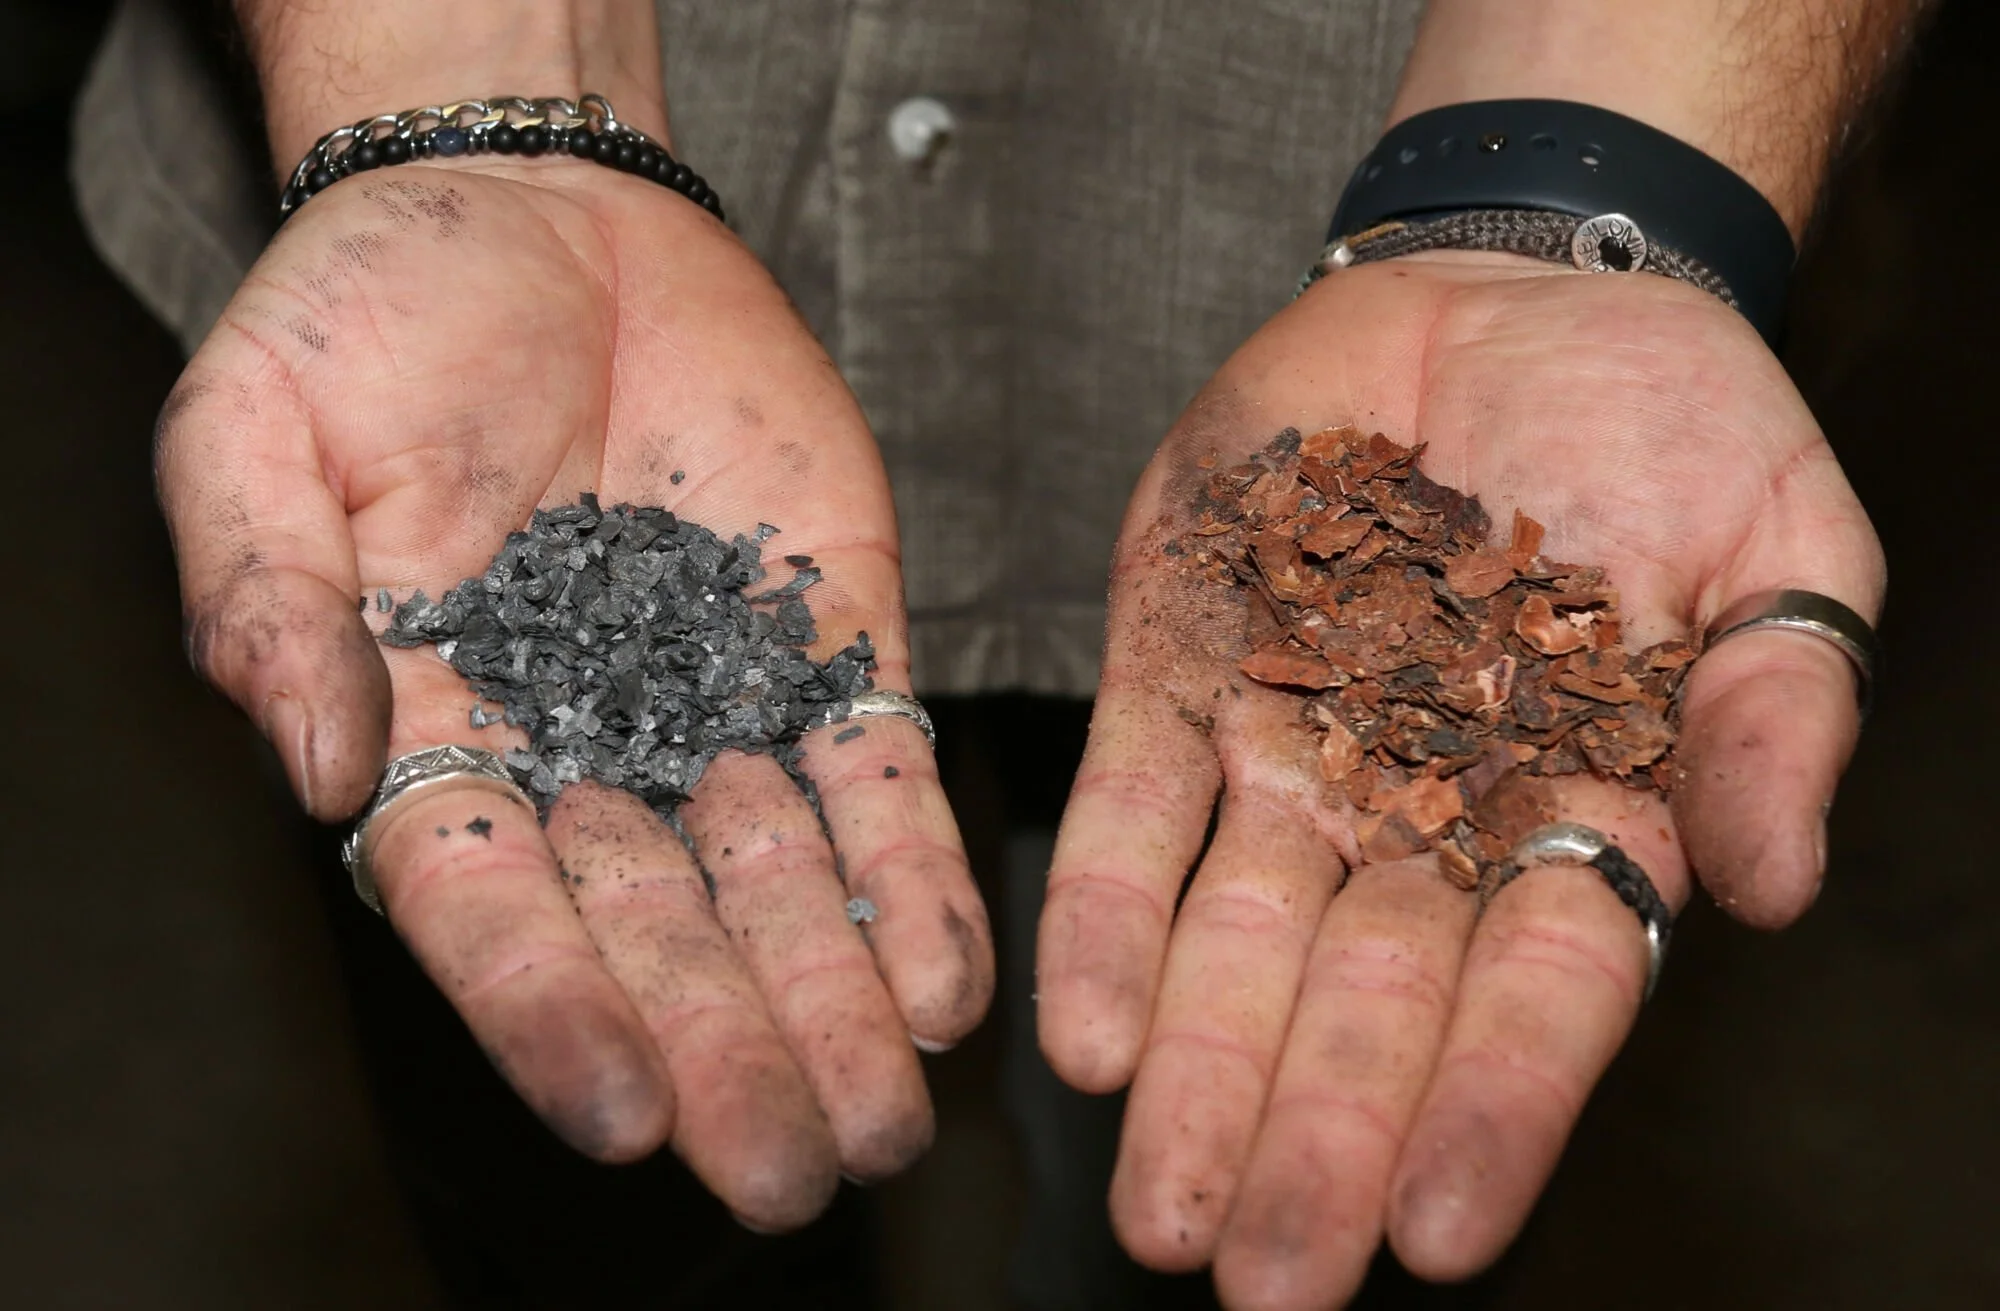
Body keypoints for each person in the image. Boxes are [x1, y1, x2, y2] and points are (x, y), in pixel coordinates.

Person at [77, 0, 1909, 1305]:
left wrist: (1590, 173)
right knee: (599, 1176)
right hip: (474, 359)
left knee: (1271, 1152)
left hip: (1294, 265)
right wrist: (479, 93)